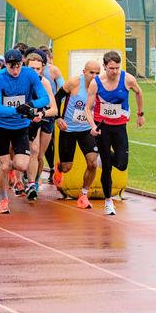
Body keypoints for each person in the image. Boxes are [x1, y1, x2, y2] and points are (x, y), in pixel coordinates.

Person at [85, 50, 145, 216]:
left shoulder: (127, 79)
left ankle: (103, 158)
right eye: (111, 68)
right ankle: (108, 202)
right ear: (104, 67)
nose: (114, 71)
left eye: (117, 68)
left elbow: (139, 92)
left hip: (119, 127)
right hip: (102, 126)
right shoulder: (96, 83)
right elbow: (88, 108)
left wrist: (140, 114)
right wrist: (92, 126)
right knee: (107, 168)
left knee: (122, 163)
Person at [0, 49, 49, 214]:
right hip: (0, 125)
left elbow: (45, 99)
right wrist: (18, 110)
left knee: (21, 164)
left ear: (22, 63)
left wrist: (30, 105)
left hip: (20, 126)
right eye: (11, 67)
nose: (15, 71)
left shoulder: (29, 74)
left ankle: (7, 181)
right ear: (5, 65)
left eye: (18, 66)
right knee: (5, 165)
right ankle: (3, 198)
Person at [54, 59, 101, 208]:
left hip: (87, 129)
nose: (94, 76)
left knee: (93, 163)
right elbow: (56, 98)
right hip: (68, 129)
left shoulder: (101, 86)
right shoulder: (74, 83)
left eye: (97, 73)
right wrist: (58, 118)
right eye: (91, 72)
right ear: (84, 72)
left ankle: (84, 195)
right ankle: (59, 168)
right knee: (67, 167)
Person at [25, 51, 58, 202]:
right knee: (34, 150)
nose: (35, 72)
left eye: (38, 69)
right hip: (31, 120)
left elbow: (54, 109)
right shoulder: (22, 82)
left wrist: (42, 114)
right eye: (32, 69)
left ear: (42, 69)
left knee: (39, 156)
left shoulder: (44, 82)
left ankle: (36, 179)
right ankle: (30, 184)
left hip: (45, 118)